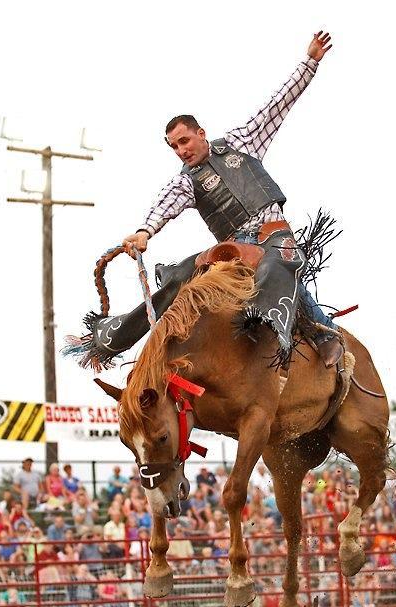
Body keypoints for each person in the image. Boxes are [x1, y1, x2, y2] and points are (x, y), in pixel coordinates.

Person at [76, 31, 343, 371]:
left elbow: (276, 106)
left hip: (274, 233)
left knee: (279, 267)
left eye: (184, 141)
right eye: (174, 146)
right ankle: (111, 338)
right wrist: (144, 232)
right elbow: (165, 204)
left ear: (201, 134)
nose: (181, 150)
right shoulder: (185, 181)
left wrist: (310, 62)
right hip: (234, 248)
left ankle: (325, 334)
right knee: (179, 278)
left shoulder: (241, 142)